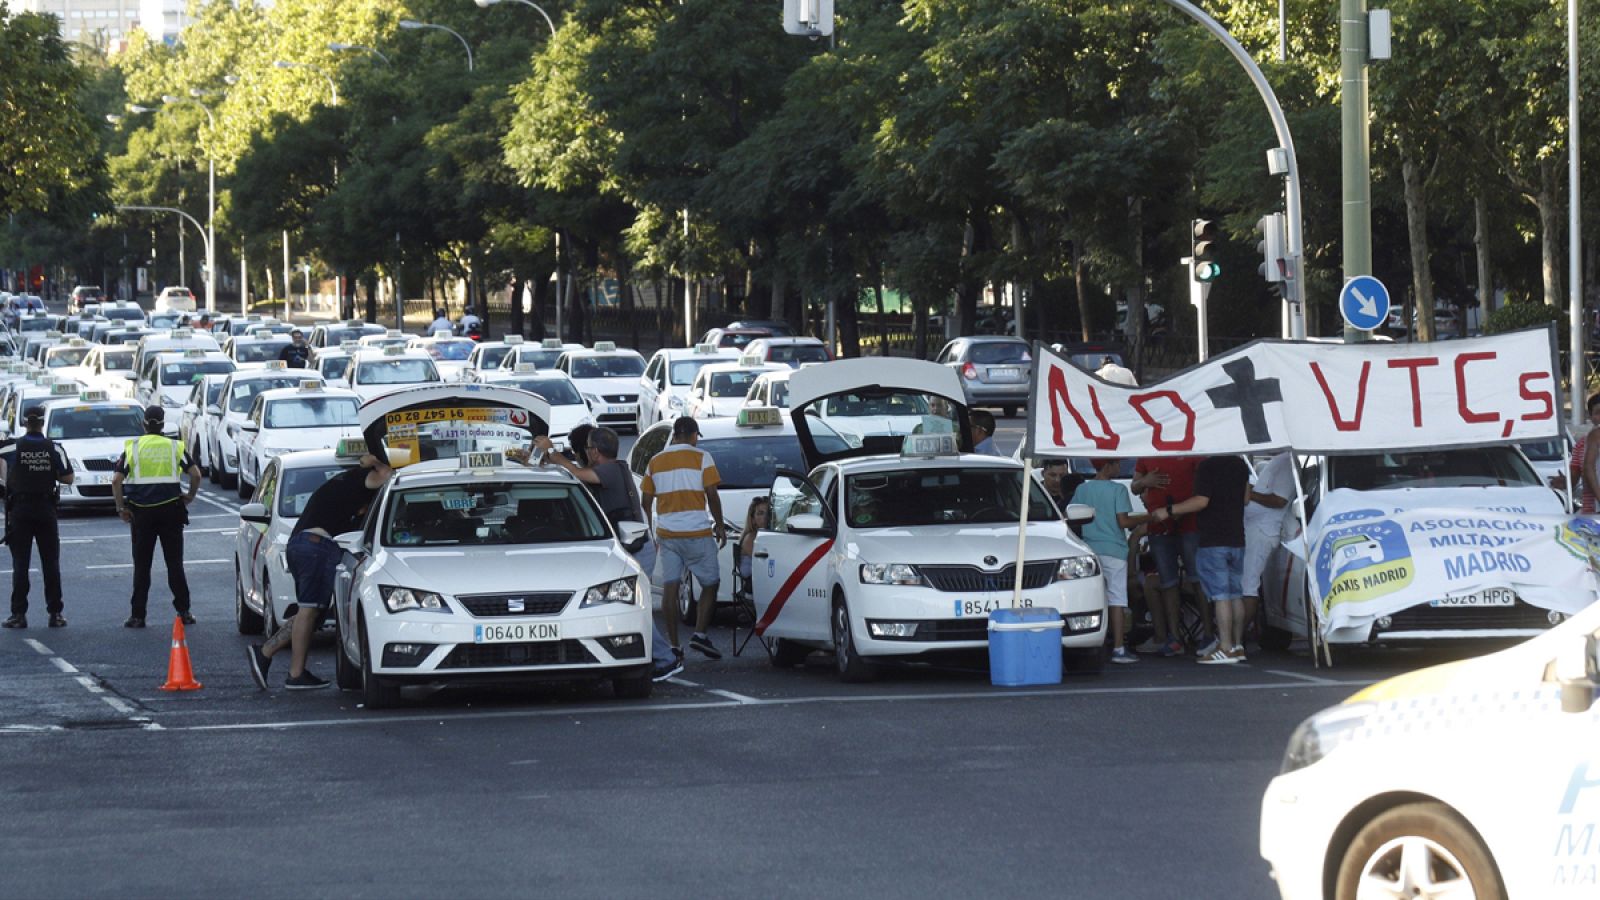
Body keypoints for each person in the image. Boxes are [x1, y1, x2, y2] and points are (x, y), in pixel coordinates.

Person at [530, 427, 682, 682]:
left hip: (635, 550)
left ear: (596, 451)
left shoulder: (610, 470)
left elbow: (578, 472)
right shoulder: (615, 468)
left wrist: (552, 452)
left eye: (588, 448)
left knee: (636, 608)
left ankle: (665, 659)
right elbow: (576, 472)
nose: (585, 452)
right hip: (631, 547)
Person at [248, 453, 392, 690]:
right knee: (309, 610)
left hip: (305, 545)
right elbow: (385, 474)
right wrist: (376, 461)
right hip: (315, 546)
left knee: (311, 612)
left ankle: (265, 652)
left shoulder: (342, 484)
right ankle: (295, 674)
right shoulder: (359, 479)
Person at [640, 417, 727, 660]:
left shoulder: (655, 461)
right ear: (691, 435)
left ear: (675, 435)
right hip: (697, 533)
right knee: (711, 583)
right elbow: (712, 494)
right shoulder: (702, 457)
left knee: (670, 587)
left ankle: (674, 646)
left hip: (667, 535)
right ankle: (699, 634)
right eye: (696, 436)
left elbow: (645, 502)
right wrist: (719, 525)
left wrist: (650, 531)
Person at [1156, 453, 1252, 664]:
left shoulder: (1206, 466)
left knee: (1220, 596)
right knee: (1236, 593)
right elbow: (1245, 498)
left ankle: (1225, 647)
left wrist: (1169, 510)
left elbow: (1201, 501)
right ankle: (1237, 646)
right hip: (1237, 538)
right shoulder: (1240, 463)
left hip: (1213, 539)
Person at [111, 406, 201, 628]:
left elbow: (116, 481)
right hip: (171, 511)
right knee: (174, 564)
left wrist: (121, 507)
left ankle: (138, 616)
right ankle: (184, 612)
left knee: (142, 566)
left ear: (144, 424)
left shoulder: (132, 447)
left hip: (141, 514)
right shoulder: (174, 447)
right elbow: (196, 474)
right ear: (162, 424)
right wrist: (189, 495)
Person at [0, 408, 72, 628]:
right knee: (50, 563)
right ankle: (55, 614)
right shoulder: (54, 448)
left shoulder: (11, 447)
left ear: (24, 422)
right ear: (42, 423)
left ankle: (18, 615)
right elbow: (68, 478)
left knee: (20, 564)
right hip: (45, 509)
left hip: (20, 510)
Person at [1070, 459, 1148, 663]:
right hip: (1114, 549)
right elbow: (1123, 521)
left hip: (1090, 549)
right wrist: (1147, 518)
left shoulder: (1082, 489)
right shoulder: (1118, 490)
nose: (1120, 468)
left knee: (1095, 598)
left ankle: (1095, 642)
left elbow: (1072, 516)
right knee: (1117, 599)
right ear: (1107, 466)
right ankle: (1119, 648)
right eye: (1117, 465)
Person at [1132, 455, 1205, 656]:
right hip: (1159, 526)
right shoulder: (1147, 452)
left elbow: (1204, 483)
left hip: (1190, 523)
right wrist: (1144, 482)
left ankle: (1209, 634)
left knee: (1198, 579)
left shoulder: (1193, 448)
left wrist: (1181, 508)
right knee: (1167, 582)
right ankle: (1174, 638)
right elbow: (1134, 487)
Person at [1243, 452, 1295, 644]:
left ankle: (1235, 639)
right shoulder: (1281, 460)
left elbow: (1280, 500)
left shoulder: (1287, 462)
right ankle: (1235, 637)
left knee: (1248, 585)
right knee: (1247, 584)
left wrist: (1249, 492)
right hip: (1257, 529)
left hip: (1263, 530)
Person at [1571, 393, 1600, 513]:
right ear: (1590, 416)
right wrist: (1564, 482)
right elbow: (1573, 480)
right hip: (1592, 513)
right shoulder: (1581, 445)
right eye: (1598, 413)